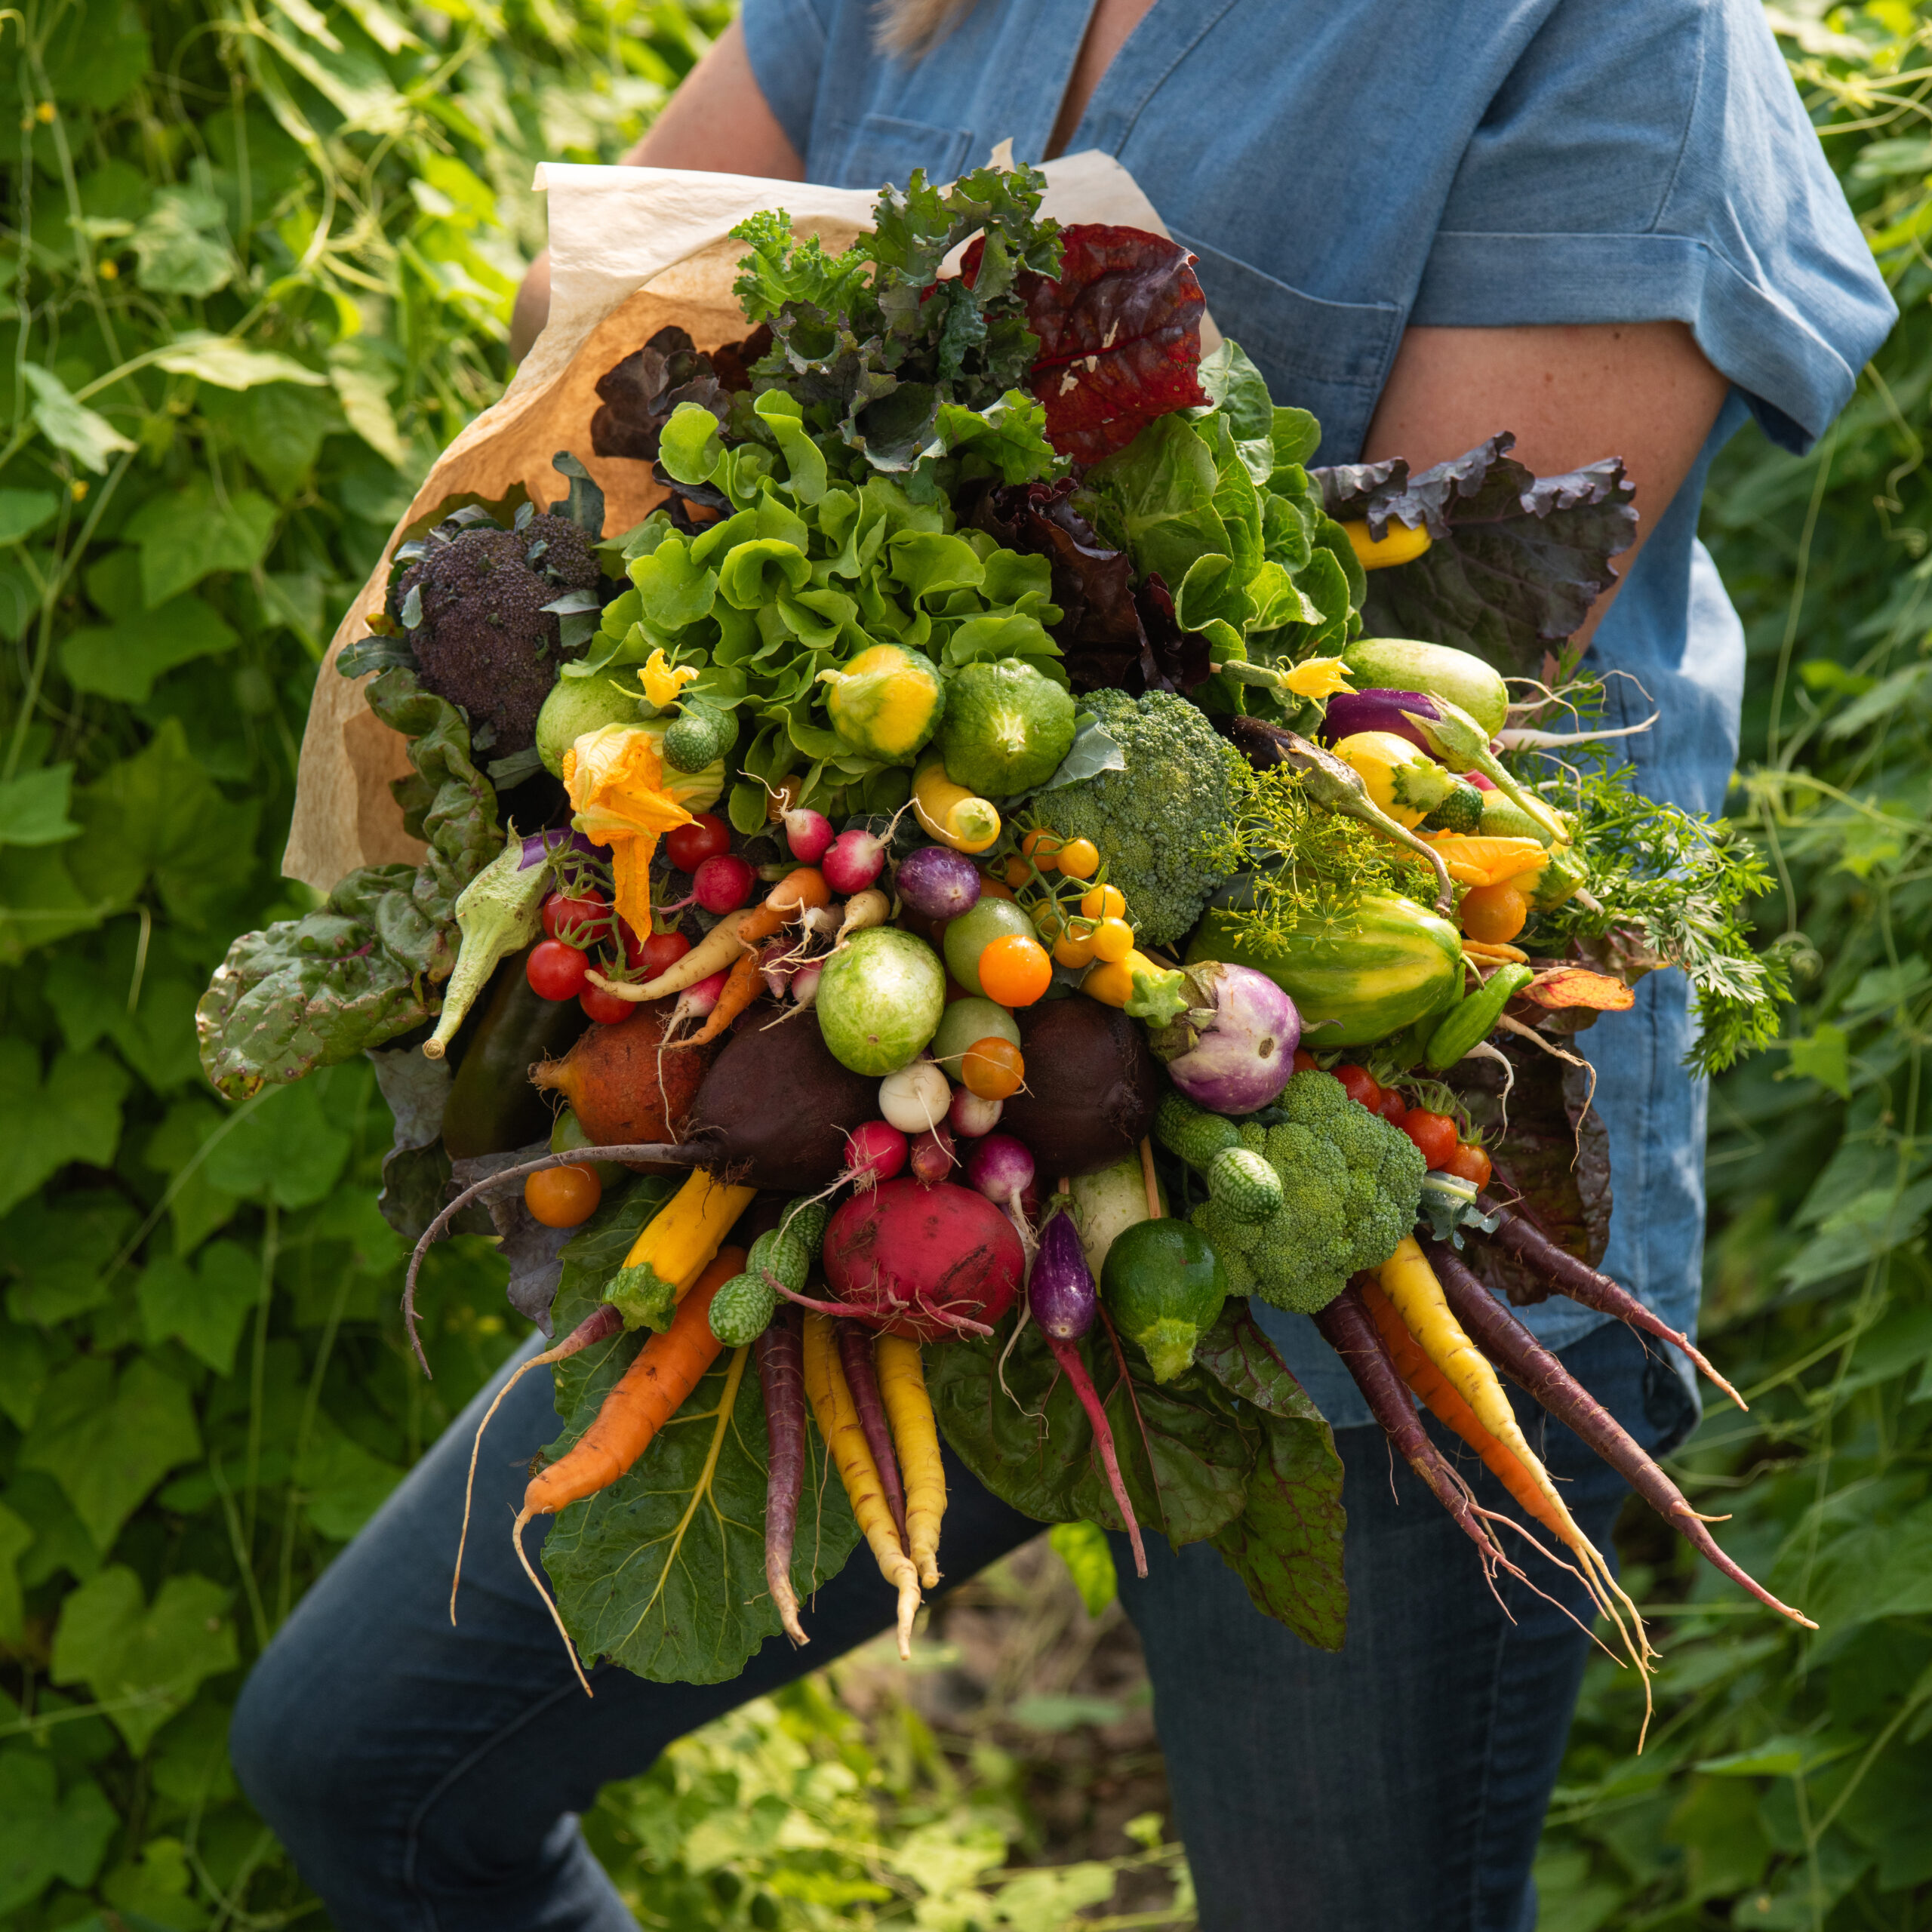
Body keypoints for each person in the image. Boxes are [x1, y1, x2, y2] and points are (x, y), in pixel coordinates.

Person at [230, 5, 1894, 1927]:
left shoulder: (1601, 36)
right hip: (875, 1130)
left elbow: (1421, 664)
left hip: (1347, 1207)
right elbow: (595, 296)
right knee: (364, 1759)